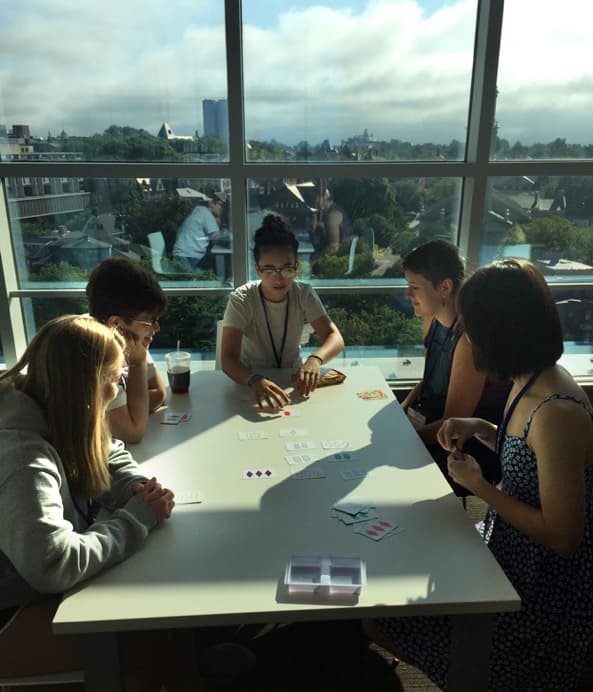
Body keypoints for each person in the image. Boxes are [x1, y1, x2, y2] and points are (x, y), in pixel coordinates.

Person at [367, 259, 593, 691]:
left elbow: (563, 536)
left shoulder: (557, 413)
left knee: (385, 616)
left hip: (541, 591)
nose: (467, 337)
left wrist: (479, 486)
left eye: (473, 328)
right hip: (509, 547)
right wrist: (483, 429)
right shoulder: (530, 378)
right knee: (404, 567)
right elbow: (527, 455)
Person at [0, 315, 198, 691]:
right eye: (114, 378)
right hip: (14, 609)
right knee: (157, 642)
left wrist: (137, 488)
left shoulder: (55, 406)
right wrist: (136, 519)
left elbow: (107, 450)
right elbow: (52, 564)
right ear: (85, 385)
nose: (117, 388)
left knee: (170, 630)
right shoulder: (21, 456)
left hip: (40, 591)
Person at [400, 240, 509, 495]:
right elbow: (428, 380)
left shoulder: (469, 341)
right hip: (434, 425)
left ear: (445, 288)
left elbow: (452, 426)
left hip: (471, 446)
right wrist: (402, 409)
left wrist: (401, 438)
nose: (407, 295)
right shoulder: (432, 319)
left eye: (415, 287)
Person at [221, 214, 344, 409]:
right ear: (258, 270)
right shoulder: (241, 299)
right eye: (269, 270)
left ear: (296, 268)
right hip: (250, 380)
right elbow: (228, 359)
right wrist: (254, 379)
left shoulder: (303, 293)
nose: (278, 279)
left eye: (286, 269)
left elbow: (335, 337)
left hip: (293, 379)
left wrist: (315, 360)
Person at [86, 257, 167, 443]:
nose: (156, 328)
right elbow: (133, 432)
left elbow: (159, 392)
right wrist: (138, 362)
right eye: (150, 320)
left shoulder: (126, 338)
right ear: (116, 323)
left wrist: (131, 408)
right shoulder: (95, 354)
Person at [173, 196, 221, 270]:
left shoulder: (198, 210)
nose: (222, 208)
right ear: (211, 203)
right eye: (220, 205)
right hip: (190, 256)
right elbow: (216, 237)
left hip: (182, 253)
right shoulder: (206, 213)